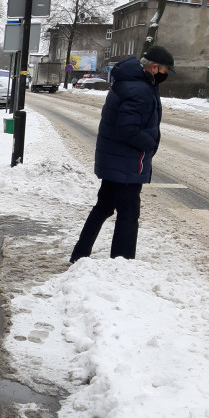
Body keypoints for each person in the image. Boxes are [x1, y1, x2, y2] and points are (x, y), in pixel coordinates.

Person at [70, 45, 173, 262]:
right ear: (155, 68)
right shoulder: (140, 90)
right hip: (127, 162)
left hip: (115, 158)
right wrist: (150, 144)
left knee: (104, 207)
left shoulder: (130, 82)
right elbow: (128, 128)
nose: (166, 76)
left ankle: (80, 254)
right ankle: (122, 263)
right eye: (165, 71)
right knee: (128, 215)